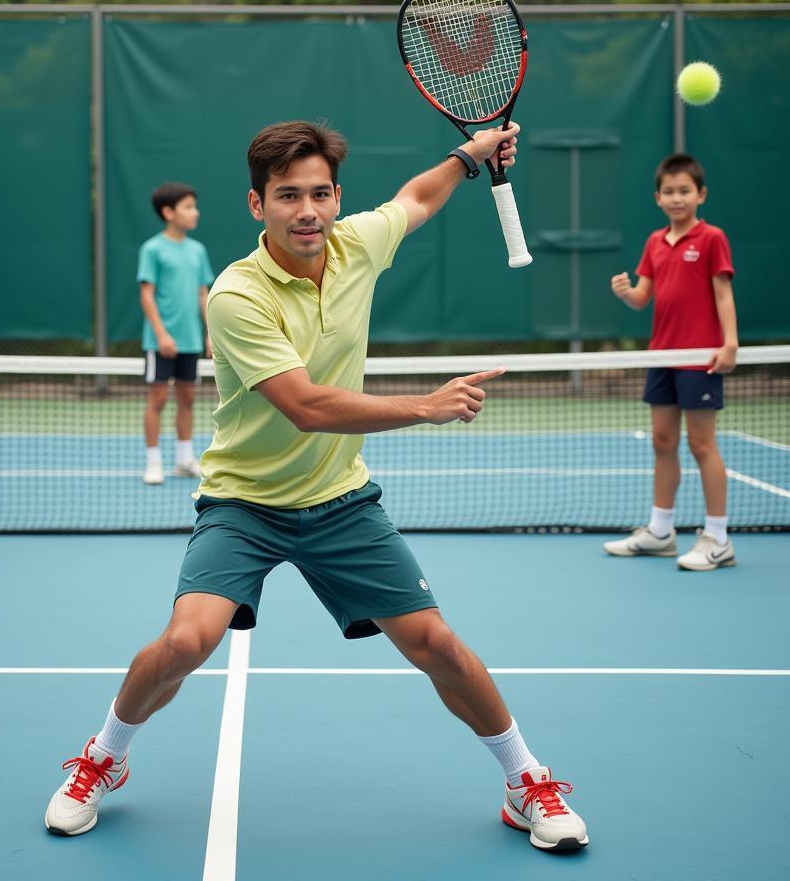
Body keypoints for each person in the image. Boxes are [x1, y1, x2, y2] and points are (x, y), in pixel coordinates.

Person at [45, 122, 589, 853]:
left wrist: (470, 157)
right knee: (183, 642)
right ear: (256, 204)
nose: (307, 210)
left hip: (341, 503)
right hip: (244, 505)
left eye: (321, 193)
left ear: (337, 198)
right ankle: (103, 759)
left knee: (437, 644)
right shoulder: (236, 296)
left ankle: (527, 782)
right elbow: (306, 405)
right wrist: (424, 406)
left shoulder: (357, 243)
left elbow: (417, 199)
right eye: (288, 195)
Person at [605, 152, 738, 570]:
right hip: (662, 354)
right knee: (663, 442)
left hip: (700, 358)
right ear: (658, 198)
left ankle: (717, 538)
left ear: (701, 194)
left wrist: (729, 343)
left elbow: (723, 294)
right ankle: (661, 532)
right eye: (669, 191)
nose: (677, 198)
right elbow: (644, 297)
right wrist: (626, 291)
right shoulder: (654, 243)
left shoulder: (712, 238)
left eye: (685, 191)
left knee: (702, 444)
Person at [136, 182, 214, 485]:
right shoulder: (152, 249)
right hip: (160, 342)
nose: (195, 212)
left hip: (191, 341)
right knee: (157, 399)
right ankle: (153, 462)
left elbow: (202, 295)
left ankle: (184, 459)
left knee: (188, 398)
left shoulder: (197, 250)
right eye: (188, 207)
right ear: (169, 212)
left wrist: (209, 333)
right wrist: (161, 334)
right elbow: (146, 295)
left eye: (194, 206)